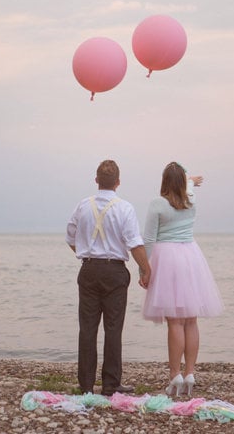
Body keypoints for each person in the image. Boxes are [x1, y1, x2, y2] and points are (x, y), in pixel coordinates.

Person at [66, 159, 151, 396]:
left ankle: (85, 385)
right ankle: (111, 383)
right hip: (114, 270)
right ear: (118, 182)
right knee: (113, 328)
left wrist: (87, 254)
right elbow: (134, 243)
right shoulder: (124, 208)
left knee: (87, 328)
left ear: (96, 181)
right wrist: (146, 270)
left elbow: (71, 237)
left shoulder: (83, 206)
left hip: (89, 269)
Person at [142, 161, 223, 397]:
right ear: (183, 183)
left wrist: (144, 270)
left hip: (166, 258)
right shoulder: (191, 201)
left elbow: (148, 240)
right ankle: (190, 373)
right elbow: (188, 186)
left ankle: (174, 374)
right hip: (190, 257)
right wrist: (190, 181)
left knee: (175, 322)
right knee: (191, 320)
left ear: (164, 182)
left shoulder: (158, 203)